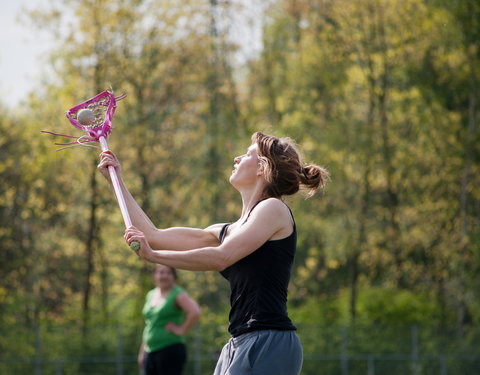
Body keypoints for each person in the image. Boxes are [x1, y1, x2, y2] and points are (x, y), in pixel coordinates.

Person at [98, 132, 329, 375]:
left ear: (263, 168)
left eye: (247, 154)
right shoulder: (226, 231)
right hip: (239, 342)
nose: (236, 158)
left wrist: (153, 257)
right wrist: (116, 180)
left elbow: (221, 257)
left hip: (269, 341)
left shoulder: (273, 208)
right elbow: (153, 235)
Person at [137, 264, 201, 375]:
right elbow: (149, 325)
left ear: (174, 276)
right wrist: (142, 352)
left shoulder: (177, 294)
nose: (164, 276)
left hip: (170, 350)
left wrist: (181, 330)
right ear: (155, 275)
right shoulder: (151, 294)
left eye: (168, 273)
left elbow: (195, 312)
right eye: (161, 272)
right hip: (150, 351)